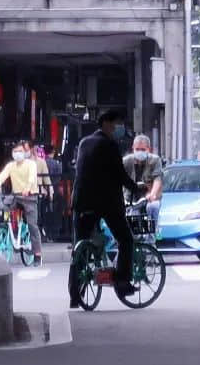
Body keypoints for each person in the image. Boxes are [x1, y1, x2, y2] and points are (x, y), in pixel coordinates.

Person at [69, 109, 141, 307]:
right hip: (105, 202)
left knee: (79, 248)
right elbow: (120, 174)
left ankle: (75, 295)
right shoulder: (109, 144)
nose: (119, 128)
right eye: (117, 124)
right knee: (125, 239)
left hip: (81, 201)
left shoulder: (84, 142)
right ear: (107, 124)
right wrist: (136, 188)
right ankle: (123, 281)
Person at [0, 142, 45, 266]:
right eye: (15, 152)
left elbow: (32, 178)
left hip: (29, 197)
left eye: (20, 151)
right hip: (15, 196)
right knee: (0, 208)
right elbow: (2, 176)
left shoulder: (31, 164)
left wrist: (27, 188)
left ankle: (37, 255)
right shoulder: (11, 166)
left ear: (25, 152)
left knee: (32, 225)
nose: (17, 154)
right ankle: (6, 233)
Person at [122, 134, 164, 223]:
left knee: (152, 207)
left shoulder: (155, 160)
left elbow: (157, 179)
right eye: (137, 149)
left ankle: (152, 233)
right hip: (131, 198)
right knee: (132, 217)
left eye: (143, 150)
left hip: (149, 196)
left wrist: (153, 194)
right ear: (133, 148)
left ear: (149, 149)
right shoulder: (126, 161)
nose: (140, 152)